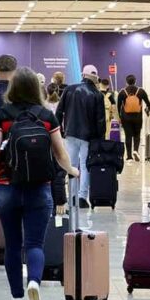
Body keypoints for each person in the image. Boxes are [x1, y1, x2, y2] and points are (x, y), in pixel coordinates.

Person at [0, 67, 78, 300]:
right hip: (39, 188)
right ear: (36, 89)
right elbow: (60, 154)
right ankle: (34, 282)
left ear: (13, 88)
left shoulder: (1, 114)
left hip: (7, 188)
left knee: (13, 245)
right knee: (35, 243)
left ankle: (16, 298)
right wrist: (72, 170)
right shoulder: (46, 115)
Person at [55, 65, 106, 209]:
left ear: (83, 75)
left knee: (71, 166)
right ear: (95, 78)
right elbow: (100, 121)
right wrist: (100, 140)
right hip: (89, 137)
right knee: (85, 166)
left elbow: (59, 112)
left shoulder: (69, 89)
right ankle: (82, 197)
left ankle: (72, 196)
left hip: (70, 133)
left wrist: (57, 131)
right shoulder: (97, 94)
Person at [117, 74, 150, 162]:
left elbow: (118, 106)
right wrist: (147, 110)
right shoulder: (141, 91)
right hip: (137, 117)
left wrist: (119, 117)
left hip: (126, 118)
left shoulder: (122, 92)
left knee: (128, 136)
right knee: (137, 135)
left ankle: (129, 157)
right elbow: (148, 104)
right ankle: (135, 150)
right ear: (135, 81)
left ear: (126, 82)